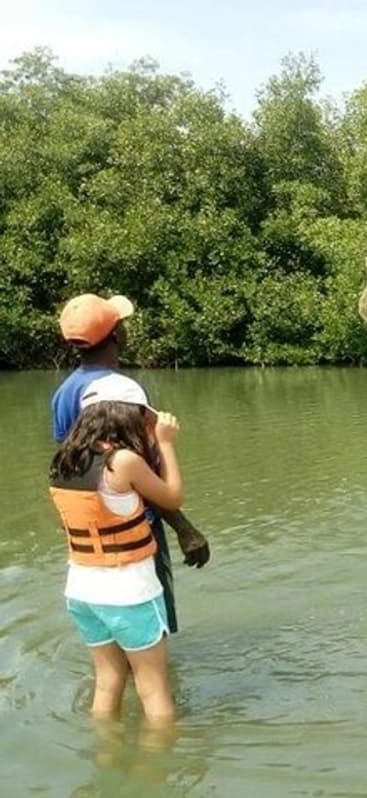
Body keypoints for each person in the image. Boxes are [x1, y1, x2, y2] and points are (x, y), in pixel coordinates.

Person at [51, 293, 209, 634]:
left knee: (111, 638)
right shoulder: (123, 392)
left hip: (88, 537)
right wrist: (184, 528)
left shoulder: (63, 394)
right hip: (135, 528)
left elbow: (71, 467)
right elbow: (143, 468)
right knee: (152, 635)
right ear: (115, 335)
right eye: (120, 324)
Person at [49, 374, 185, 722]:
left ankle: (107, 755)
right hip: (129, 592)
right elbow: (172, 496)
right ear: (128, 416)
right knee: (153, 687)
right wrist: (166, 443)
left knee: (108, 681)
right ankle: (157, 768)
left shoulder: (65, 461)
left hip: (82, 592)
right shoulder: (123, 462)